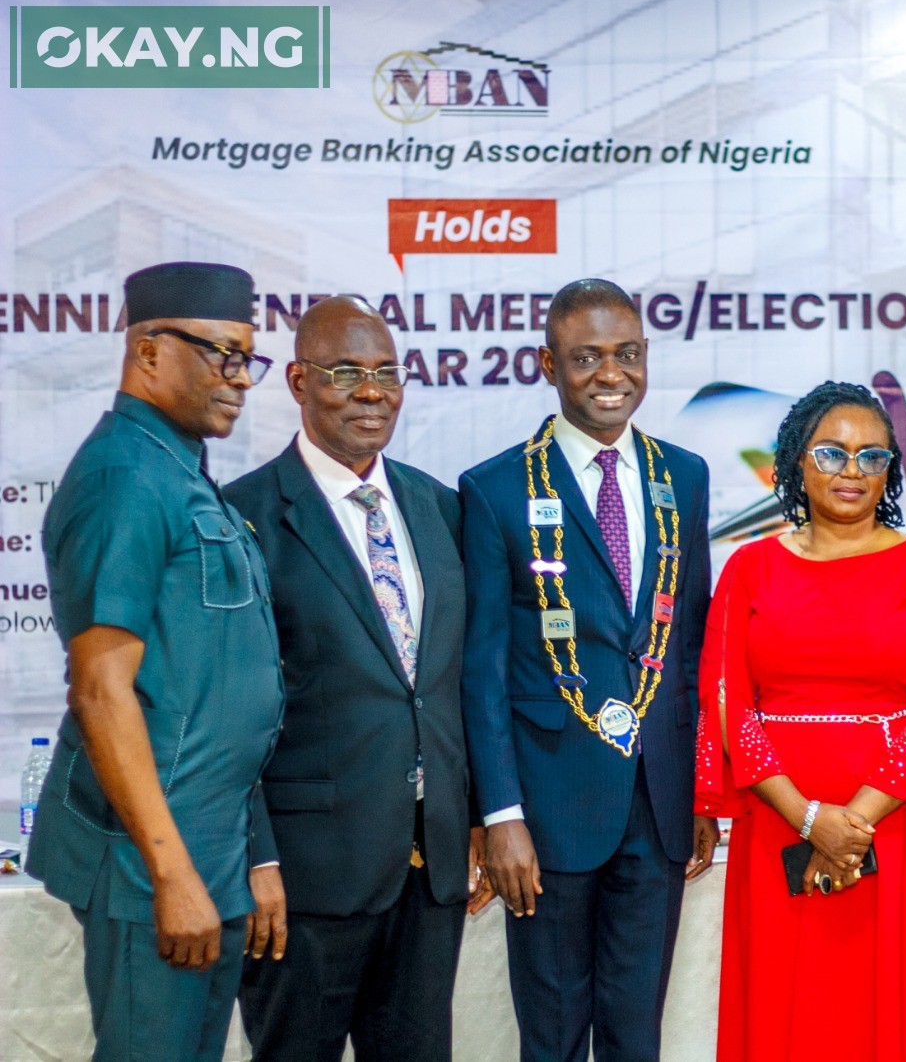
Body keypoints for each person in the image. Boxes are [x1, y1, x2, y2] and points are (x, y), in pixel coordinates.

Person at [25, 262, 284, 1061]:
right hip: (152, 860)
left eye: (248, 358)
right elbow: (102, 692)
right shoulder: (124, 478)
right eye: (222, 354)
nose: (239, 379)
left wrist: (248, 856)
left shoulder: (176, 469)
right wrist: (171, 874)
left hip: (211, 848)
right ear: (147, 352)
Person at [223, 296, 490, 1060]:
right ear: (299, 382)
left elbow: (455, 681)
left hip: (428, 869)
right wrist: (255, 856)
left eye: (386, 373)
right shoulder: (243, 517)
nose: (371, 392)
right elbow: (226, 712)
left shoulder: (441, 508)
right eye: (345, 373)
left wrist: (473, 814)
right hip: (304, 877)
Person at [460, 278, 717, 1062]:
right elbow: (482, 670)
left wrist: (701, 792)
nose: (612, 374)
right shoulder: (495, 488)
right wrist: (500, 815)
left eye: (628, 354)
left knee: (638, 1036)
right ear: (549, 365)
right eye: (587, 358)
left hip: (658, 802)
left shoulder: (685, 475)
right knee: (554, 1038)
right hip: (547, 809)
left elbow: (691, 644)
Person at [696, 381, 906, 1062]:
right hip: (780, 824)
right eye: (831, 453)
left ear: (890, 470)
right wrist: (807, 820)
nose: (851, 470)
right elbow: (725, 698)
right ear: (795, 461)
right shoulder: (748, 568)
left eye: (872, 456)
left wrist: (849, 825)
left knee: (903, 1017)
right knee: (791, 1011)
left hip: (901, 827)